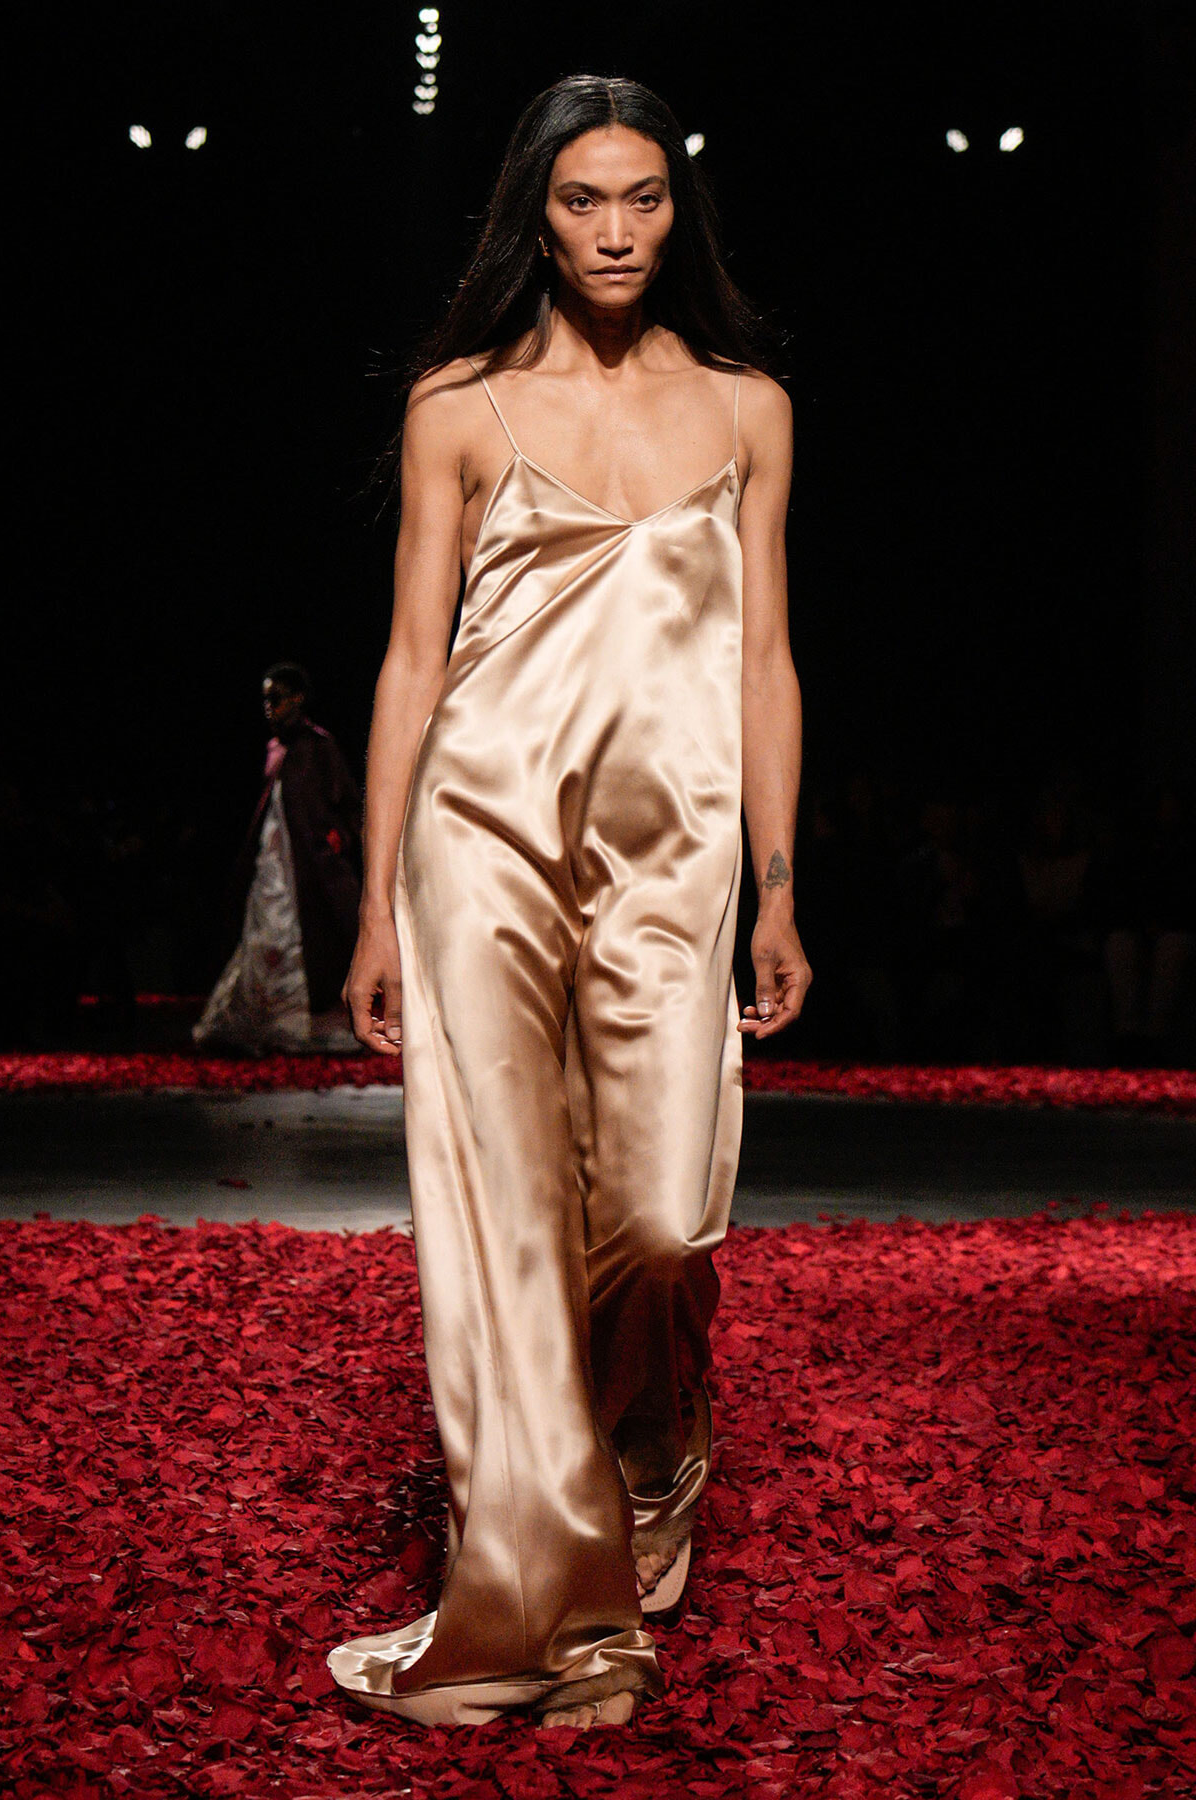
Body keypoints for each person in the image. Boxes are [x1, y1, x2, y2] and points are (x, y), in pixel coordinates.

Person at [327, 75, 811, 1729]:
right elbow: (411, 658)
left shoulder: (748, 409)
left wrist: (777, 889)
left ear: (681, 212)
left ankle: (653, 1437)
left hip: (674, 856)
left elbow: (764, 658)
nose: (615, 231)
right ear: (533, 216)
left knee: (665, 1220)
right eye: (583, 200)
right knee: (511, 1219)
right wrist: (379, 909)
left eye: (645, 199)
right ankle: (555, 1593)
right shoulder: (458, 406)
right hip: (479, 836)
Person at [194, 662, 362, 1054]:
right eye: (266, 700)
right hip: (275, 862)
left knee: (308, 938)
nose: (270, 708)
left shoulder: (319, 746)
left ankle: (303, 1020)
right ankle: (263, 1020)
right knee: (265, 933)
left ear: (298, 698)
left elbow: (349, 804)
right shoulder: (277, 749)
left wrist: (337, 839)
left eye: (277, 698)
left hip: (310, 866)